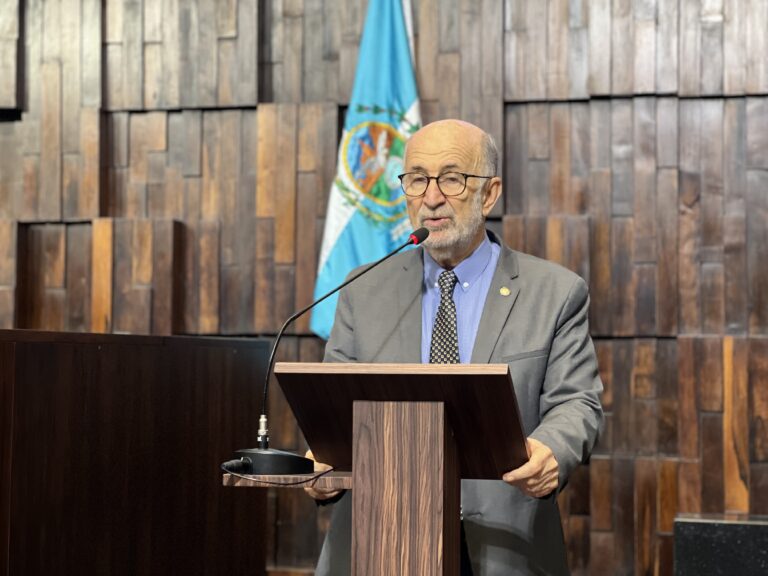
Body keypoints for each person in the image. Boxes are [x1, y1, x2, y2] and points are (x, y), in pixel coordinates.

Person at [306, 119, 604, 575]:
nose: (431, 197)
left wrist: (552, 448)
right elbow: (335, 407)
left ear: (489, 193)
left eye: (451, 178)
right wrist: (325, 457)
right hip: (381, 538)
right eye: (417, 179)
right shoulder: (363, 290)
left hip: (502, 543)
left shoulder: (555, 292)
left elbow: (577, 402)